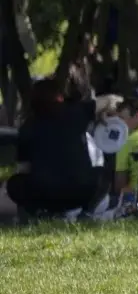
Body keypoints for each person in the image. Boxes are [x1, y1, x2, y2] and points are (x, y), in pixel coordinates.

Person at [0, 79, 119, 218]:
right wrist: (106, 113)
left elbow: (24, 168)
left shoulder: (27, 128)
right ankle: (87, 212)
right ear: (59, 97)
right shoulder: (76, 112)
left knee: (15, 184)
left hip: (46, 193)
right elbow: (112, 100)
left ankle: (37, 214)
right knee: (102, 171)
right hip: (82, 190)